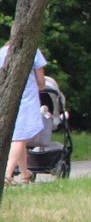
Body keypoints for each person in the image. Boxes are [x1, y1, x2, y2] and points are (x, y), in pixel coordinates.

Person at [2, 41, 47, 186]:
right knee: (19, 136)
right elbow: (41, 81)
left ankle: (25, 174)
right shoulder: (33, 52)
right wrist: (40, 86)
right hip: (26, 96)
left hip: (5, 96)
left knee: (18, 136)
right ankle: (7, 174)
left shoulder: (2, 51)